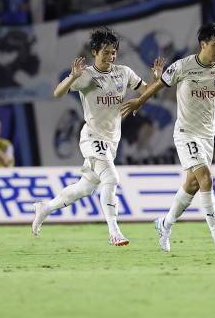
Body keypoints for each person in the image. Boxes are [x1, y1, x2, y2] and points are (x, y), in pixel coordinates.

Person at [32, 26, 164, 246]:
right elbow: (57, 93)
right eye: (106, 52)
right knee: (111, 179)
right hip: (92, 137)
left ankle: (46, 207)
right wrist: (72, 77)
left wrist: (157, 80)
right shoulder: (86, 76)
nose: (111, 56)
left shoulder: (124, 73)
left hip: (112, 140)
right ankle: (114, 231)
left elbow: (146, 93)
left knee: (85, 187)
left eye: (113, 52)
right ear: (94, 52)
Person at [121, 22, 215, 252]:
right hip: (186, 133)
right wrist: (139, 101)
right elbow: (159, 84)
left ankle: (165, 224)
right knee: (206, 178)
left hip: (207, 134)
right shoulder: (183, 66)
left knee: (192, 185)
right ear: (203, 44)